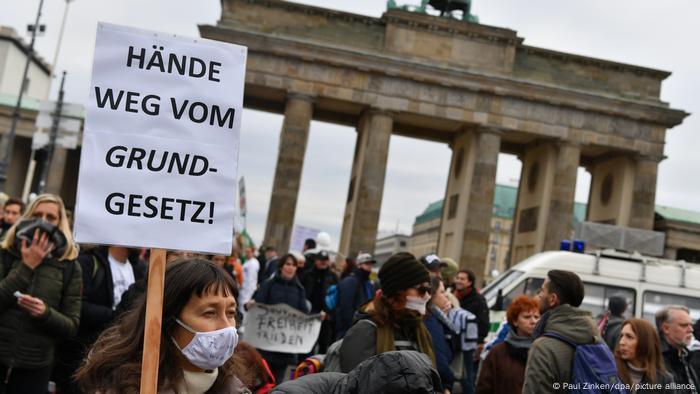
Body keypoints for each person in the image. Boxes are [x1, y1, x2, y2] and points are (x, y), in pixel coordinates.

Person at [75, 258, 251, 393]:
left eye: (230, 313)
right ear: (168, 320)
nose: (226, 326)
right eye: (210, 313)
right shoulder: (118, 386)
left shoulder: (235, 388)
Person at [0, 194, 81, 394]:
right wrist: (27, 266)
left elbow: (71, 326)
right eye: (37, 214)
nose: (43, 222)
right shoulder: (6, 252)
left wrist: (45, 313)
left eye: (50, 218)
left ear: (60, 222)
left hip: (35, 367)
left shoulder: (70, 266)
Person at [53, 245, 147, 394]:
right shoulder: (88, 263)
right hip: (81, 360)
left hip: (117, 363)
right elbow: (76, 305)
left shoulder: (140, 269)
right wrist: (116, 316)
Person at [338, 252, 435, 373]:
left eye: (429, 289)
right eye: (421, 289)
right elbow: (356, 383)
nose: (427, 296)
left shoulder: (418, 328)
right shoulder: (365, 330)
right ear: (397, 292)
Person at [522, 270, 602, 394]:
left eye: (542, 290)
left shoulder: (543, 348)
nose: (539, 295)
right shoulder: (596, 338)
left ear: (553, 299)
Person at [253, 254, 310, 384]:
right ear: (281, 267)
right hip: (266, 343)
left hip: (285, 347)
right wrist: (250, 305)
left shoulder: (299, 289)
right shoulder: (269, 285)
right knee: (262, 381)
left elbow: (304, 313)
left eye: (293, 265)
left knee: (278, 382)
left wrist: (316, 318)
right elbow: (258, 305)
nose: (290, 268)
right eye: (287, 264)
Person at [476, 295, 540, 394]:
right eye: (527, 317)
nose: (533, 321)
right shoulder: (497, 353)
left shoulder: (543, 350)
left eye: (536, 317)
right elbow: (484, 388)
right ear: (515, 321)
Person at [453, 269, 489, 394]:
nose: (458, 281)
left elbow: (484, 324)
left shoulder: (478, 300)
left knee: (467, 378)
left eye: (462, 279)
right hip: (455, 343)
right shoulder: (452, 296)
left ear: (470, 282)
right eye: (457, 278)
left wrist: (478, 342)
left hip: (469, 346)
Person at [616, 318, 675, 394]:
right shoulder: (610, 372)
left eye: (629, 337)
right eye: (621, 336)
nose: (622, 342)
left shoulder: (664, 380)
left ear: (645, 342)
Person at [424, 275, 459, 393]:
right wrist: (447, 382)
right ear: (432, 295)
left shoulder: (436, 317)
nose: (446, 297)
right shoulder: (431, 320)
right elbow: (438, 355)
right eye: (442, 292)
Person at [656, 305, 700, 393]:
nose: (690, 329)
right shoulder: (655, 358)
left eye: (691, 325)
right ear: (666, 328)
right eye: (684, 325)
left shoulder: (685, 356)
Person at [301, 250, 338, 353]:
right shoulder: (307, 275)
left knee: (323, 345)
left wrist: (330, 314)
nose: (323, 262)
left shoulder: (333, 277)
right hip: (309, 315)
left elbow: (336, 297)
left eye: (325, 260)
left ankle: (320, 368)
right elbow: (302, 293)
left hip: (325, 317)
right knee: (307, 345)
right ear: (316, 261)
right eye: (321, 260)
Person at [335, 253, 375, 339]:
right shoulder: (350, 281)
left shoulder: (368, 283)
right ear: (359, 265)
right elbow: (345, 306)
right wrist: (352, 325)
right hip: (348, 329)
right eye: (367, 264)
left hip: (362, 327)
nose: (369, 267)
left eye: (371, 264)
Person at [239, 245, 260, 315]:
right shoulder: (247, 262)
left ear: (253, 252)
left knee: (244, 308)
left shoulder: (253, 263)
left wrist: (248, 293)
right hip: (244, 289)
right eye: (246, 251)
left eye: (248, 252)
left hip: (248, 290)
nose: (246, 253)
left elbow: (252, 279)